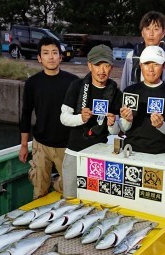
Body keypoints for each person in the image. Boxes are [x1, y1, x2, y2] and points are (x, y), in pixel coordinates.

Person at [19, 36, 78, 199]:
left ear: (61, 56)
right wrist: (24, 145)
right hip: (41, 144)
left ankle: (56, 183)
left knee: (71, 191)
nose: (50, 57)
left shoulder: (73, 82)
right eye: (45, 53)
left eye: (54, 52)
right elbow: (25, 114)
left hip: (66, 145)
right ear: (39, 58)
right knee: (39, 191)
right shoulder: (32, 83)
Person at [60, 44, 123, 197]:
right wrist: (80, 117)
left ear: (111, 67)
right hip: (74, 151)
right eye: (97, 65)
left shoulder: (116, 93)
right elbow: (63, 118)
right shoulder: (76, 86)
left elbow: (116, 131)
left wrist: (112, 123)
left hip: (99, 155)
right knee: (70, 197)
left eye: (106, 65)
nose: (102, 71)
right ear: (89, 65)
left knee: (95, 200)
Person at [119, 45, 165, 154]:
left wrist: (161, 125)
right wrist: (127, 120)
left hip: (159, 153)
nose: (151, 69)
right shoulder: (130, 91)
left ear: (164, 66)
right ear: (140, 65)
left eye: (156, 64)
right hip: (130, 150)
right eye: (147, 64)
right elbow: (123, 128)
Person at [120, 11, 165, 91]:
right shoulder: (131, 56)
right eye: (147, 29)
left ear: (163, 33)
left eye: (156, 29)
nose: (151, 34)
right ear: (142, 32)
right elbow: (124, 86)